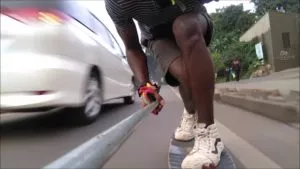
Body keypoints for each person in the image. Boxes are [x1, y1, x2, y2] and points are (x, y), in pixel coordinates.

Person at [105, 0, 224, 168]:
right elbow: (131, 47)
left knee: (183, 26)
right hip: (157, 36)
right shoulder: (117, 3)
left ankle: (209, 134)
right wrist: (144, 86)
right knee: (188, 77)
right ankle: (190, 113)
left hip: (192, 20)